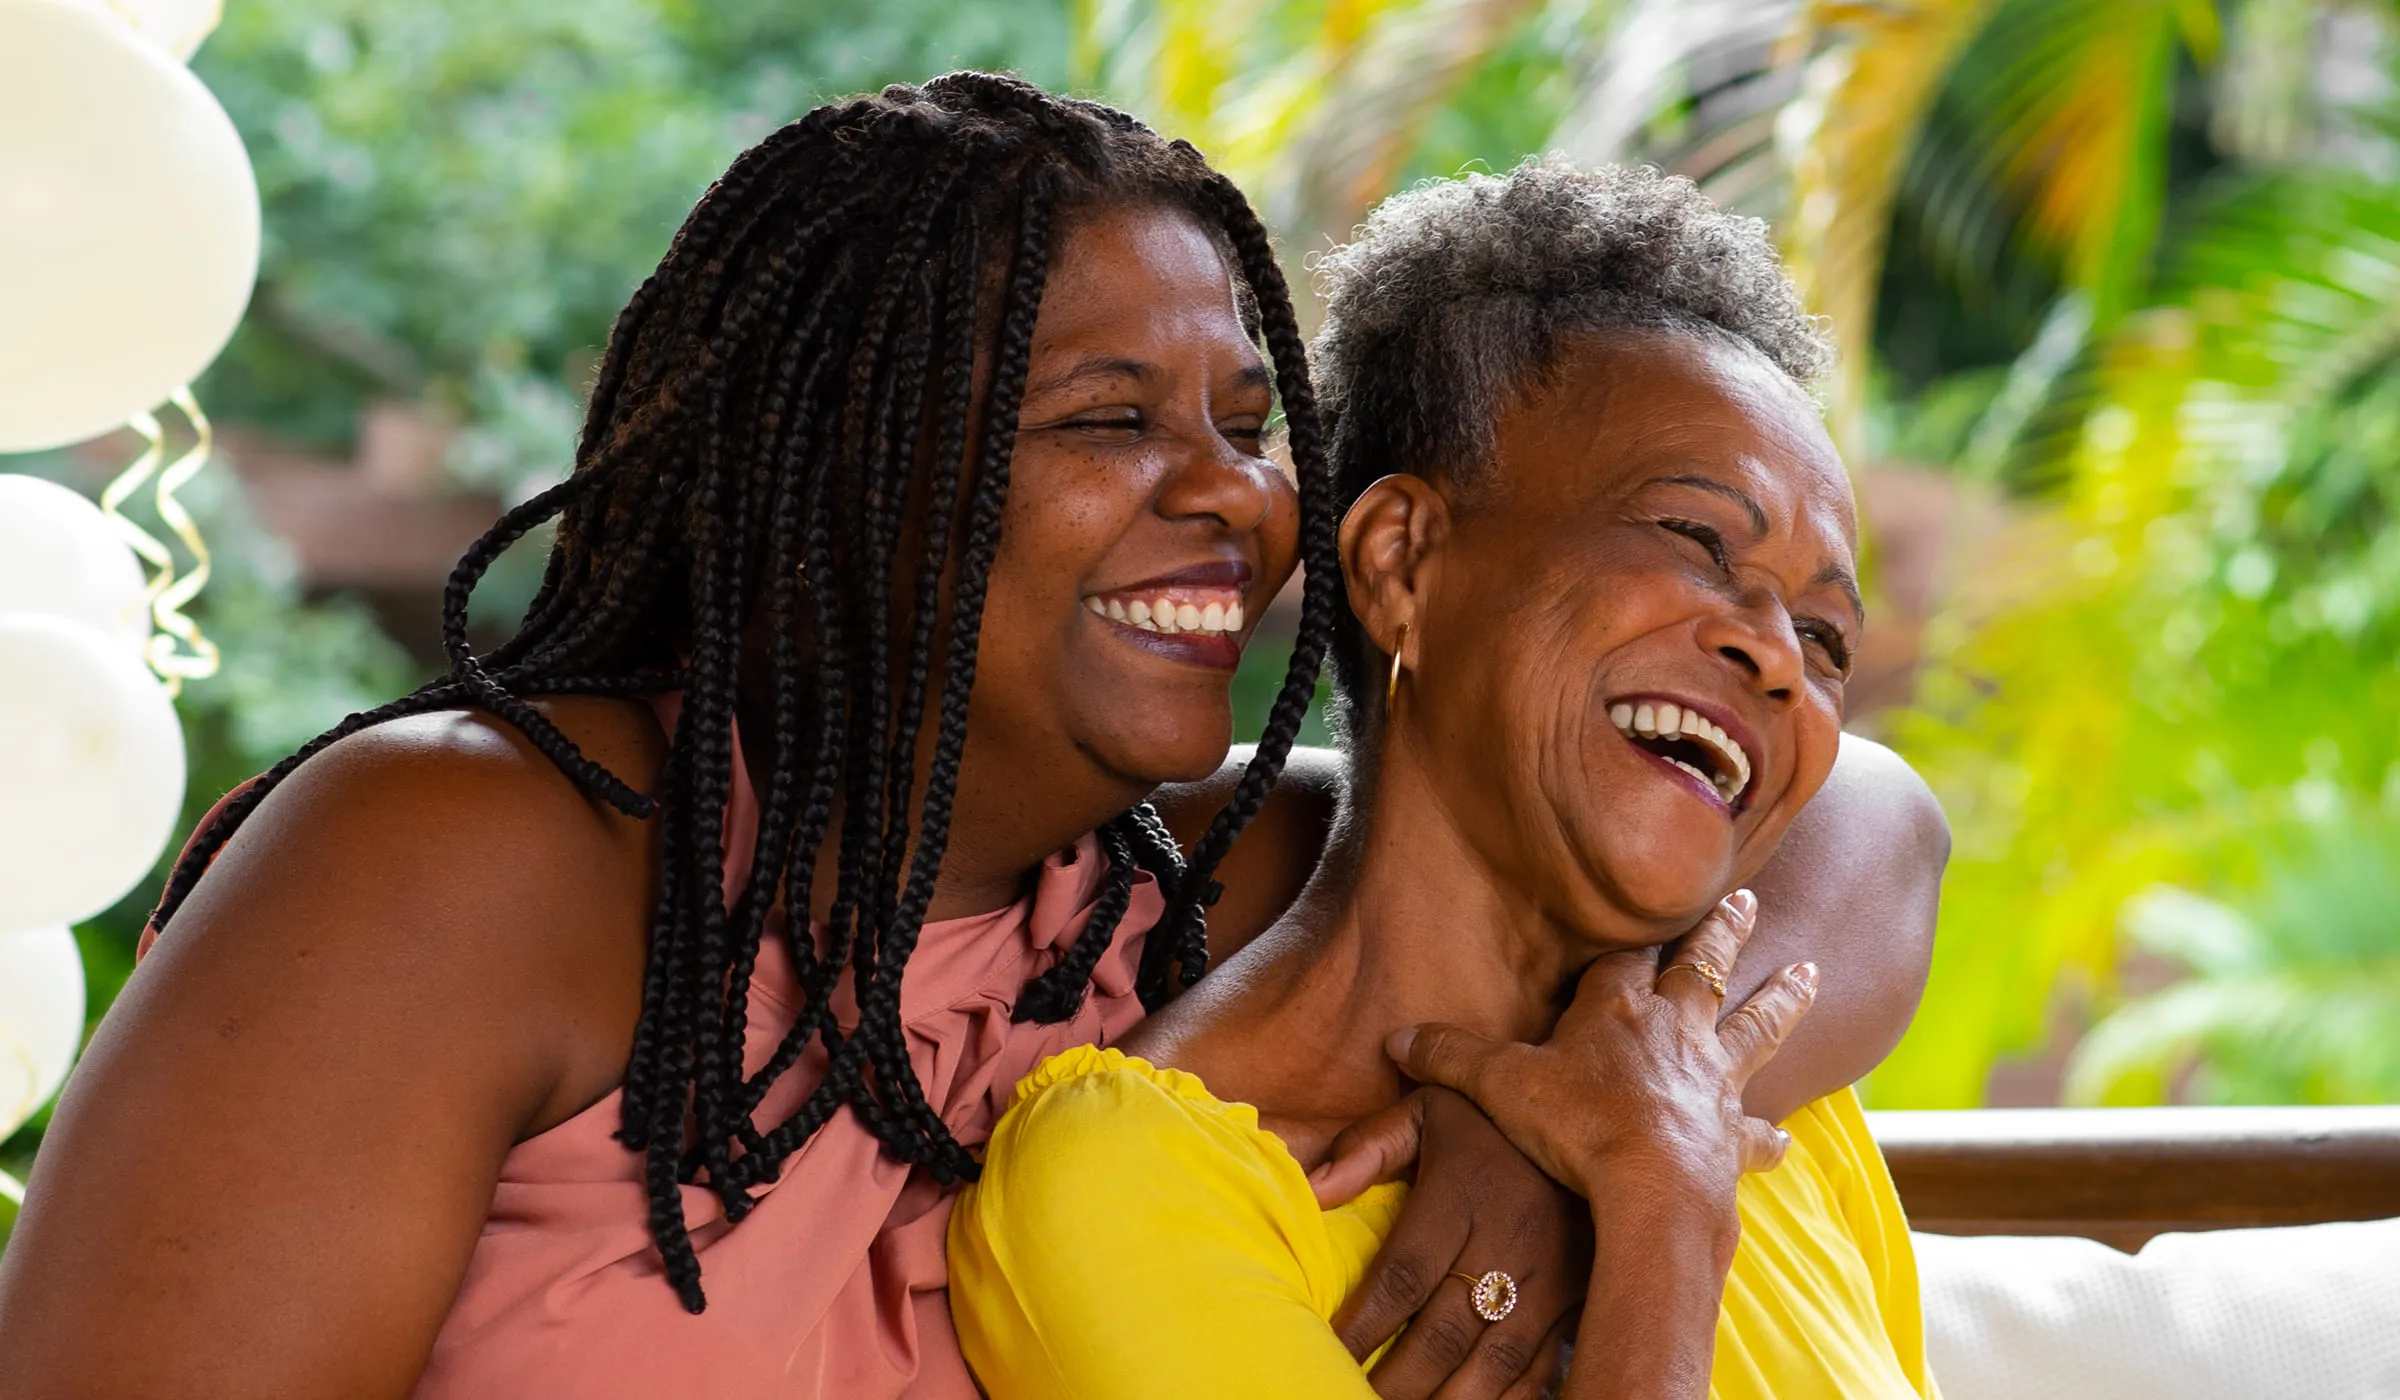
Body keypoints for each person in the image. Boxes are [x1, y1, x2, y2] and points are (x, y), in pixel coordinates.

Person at [0, 77, 1940, 1400]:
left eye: (1247, 426)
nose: (1235, 498)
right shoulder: (468, 859)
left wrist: (1590, 1113)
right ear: (847, 468)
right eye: (1113, 422)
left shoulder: (1174, 892)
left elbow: (1864, 818)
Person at [949, 160, 1944, 1399]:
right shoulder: (1132, 1185)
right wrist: (1660, 1212)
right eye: (1693, 537)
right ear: (1403, 563)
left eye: (1827, 635)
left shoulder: (1735, 1066)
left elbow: (1887, 805)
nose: (1779, 654)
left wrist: (1661, 1134)